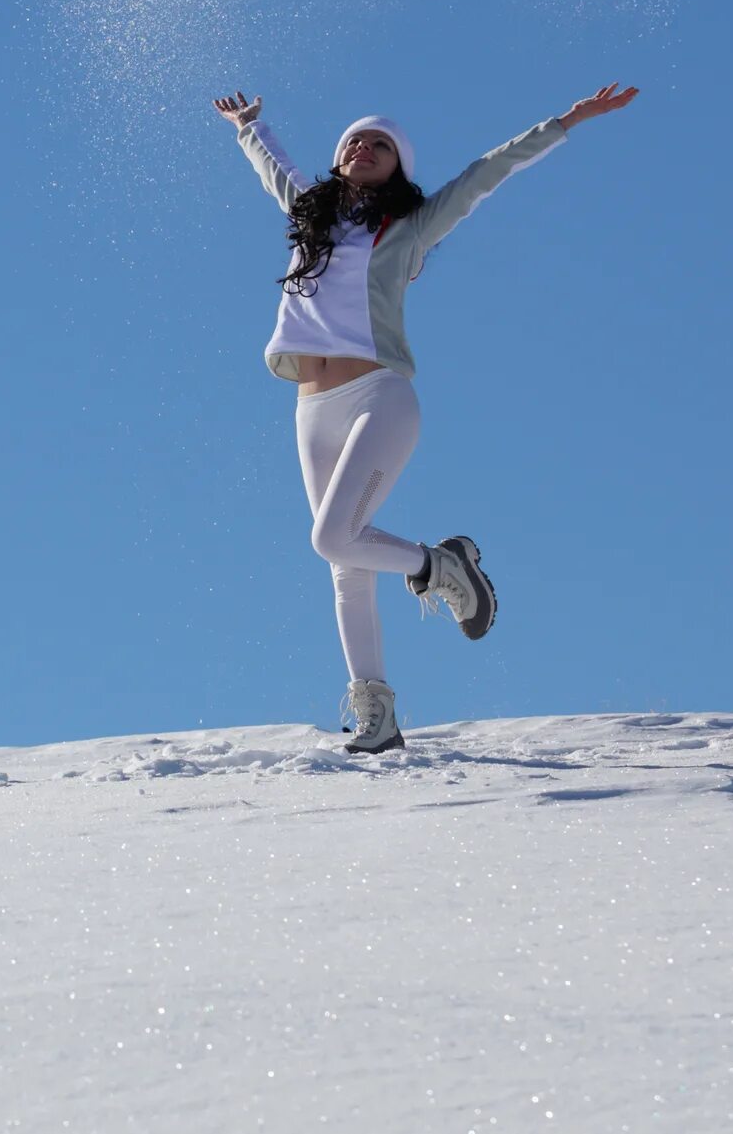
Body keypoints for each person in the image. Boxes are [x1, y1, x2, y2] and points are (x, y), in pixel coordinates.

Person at [210, 82, 639, 753]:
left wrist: (565, 121)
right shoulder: (309, 216)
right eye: (354, 139)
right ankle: (376, 714)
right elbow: (277, 168)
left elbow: (484, 175)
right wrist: (245, 127)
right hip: (311, 407)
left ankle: (438, 565)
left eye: (380, 144)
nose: (363, 146)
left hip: (380, 395)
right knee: (345, 561)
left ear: (398, 167)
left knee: (330, 536)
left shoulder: (410, 227)